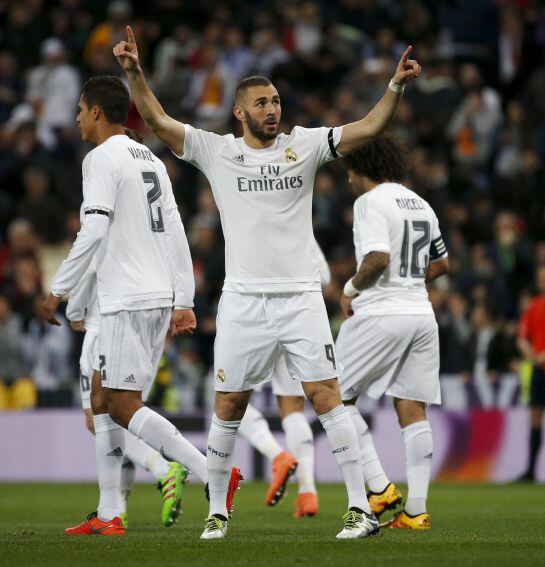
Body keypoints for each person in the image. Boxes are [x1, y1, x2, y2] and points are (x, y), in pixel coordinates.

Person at [114, 26, 421, 540]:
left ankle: (358, 508)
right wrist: (133, 73)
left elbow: (367, 128)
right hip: (242, 302)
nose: (272, 109)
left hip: (301, 297)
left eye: (276, 100)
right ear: (241, 113)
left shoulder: (304, 145)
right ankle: (217, 511)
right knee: (228, 406)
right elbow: (156, 120)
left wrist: (395, 85)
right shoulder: (218, 151)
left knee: (327, 397)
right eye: (261, 103)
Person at [42, 76, 240, 536]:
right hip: (153, 296)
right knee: (101, 397)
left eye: (79, 108)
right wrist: (184, 299)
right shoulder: (149, 157)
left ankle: (211, 471)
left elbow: (92, 230)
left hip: (126, 297)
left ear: (96, 112)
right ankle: (110, 513)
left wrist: (59, 289)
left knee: (119, 402)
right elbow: (174, 230)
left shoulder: (100, 158)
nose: (75, 117)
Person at [336, 135, 449, 530]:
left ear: (362, 166)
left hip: (382, 312)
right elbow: (441, 264)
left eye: (349, 170)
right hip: (421, 313)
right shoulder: (420, 202)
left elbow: (378, 258)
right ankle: (416, 512)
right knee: (412, 408)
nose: (348, 178)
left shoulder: (369, 201)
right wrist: (409, 280)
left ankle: (380, 487)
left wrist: (349, 289)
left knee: (332, 396)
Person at [239, 241, 331, 517]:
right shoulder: (302, 230)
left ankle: (277, 456)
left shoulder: (252, 225)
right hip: (299, 319)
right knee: (292, 408)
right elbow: (325, 277)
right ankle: (307, 492)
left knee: (230, 400)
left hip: (258, 317)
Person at [517, 265, 545, 481]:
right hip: (539, 369)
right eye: (539, 277)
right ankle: (530, 470)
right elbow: (522, 337)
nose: (541, 280)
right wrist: (534, 355)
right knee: (535, 417)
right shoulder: (534, 306)